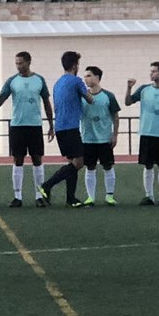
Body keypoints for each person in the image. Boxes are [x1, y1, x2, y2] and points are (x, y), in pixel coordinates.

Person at [0, 51, 53, 208]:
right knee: (18, 160)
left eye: (21, 63)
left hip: (35, 125)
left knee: (37, 159)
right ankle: (17, 196)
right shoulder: (12, 81)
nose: (18, 66)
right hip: (17, 126)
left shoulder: (39, 80)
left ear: (28, 62)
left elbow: (47, 103)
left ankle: (39, 195)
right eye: (16, 63)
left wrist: (51, 125)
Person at [40, 50, 95, 208]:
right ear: (74, 65)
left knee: (73, 162)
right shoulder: (76, 81)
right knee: (79, 162)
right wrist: (92, 89)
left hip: (60, 127)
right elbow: (90, 100)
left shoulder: (58, 83)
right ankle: (47, 185)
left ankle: (71, 198)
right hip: (71, 127)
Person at [125, 62, 159, 206]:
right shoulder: (143, 89)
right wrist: (129, 88)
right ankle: (149, 196)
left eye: (154, 71)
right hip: (146, 133)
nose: (151, 74)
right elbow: (128, 102)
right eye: (151, 71)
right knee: (147, 165)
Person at [79, 66, 121, 205]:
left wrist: (114, 135)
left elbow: (115, 116)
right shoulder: (82, 96)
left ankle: (109, 196)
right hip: (88, 139)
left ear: (97, 77)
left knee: (108, 167)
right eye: (85, 76)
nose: (86, 79)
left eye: (89, 76)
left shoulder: (108, 96)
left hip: (104, 138)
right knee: (90, 167)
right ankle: (90, 197)